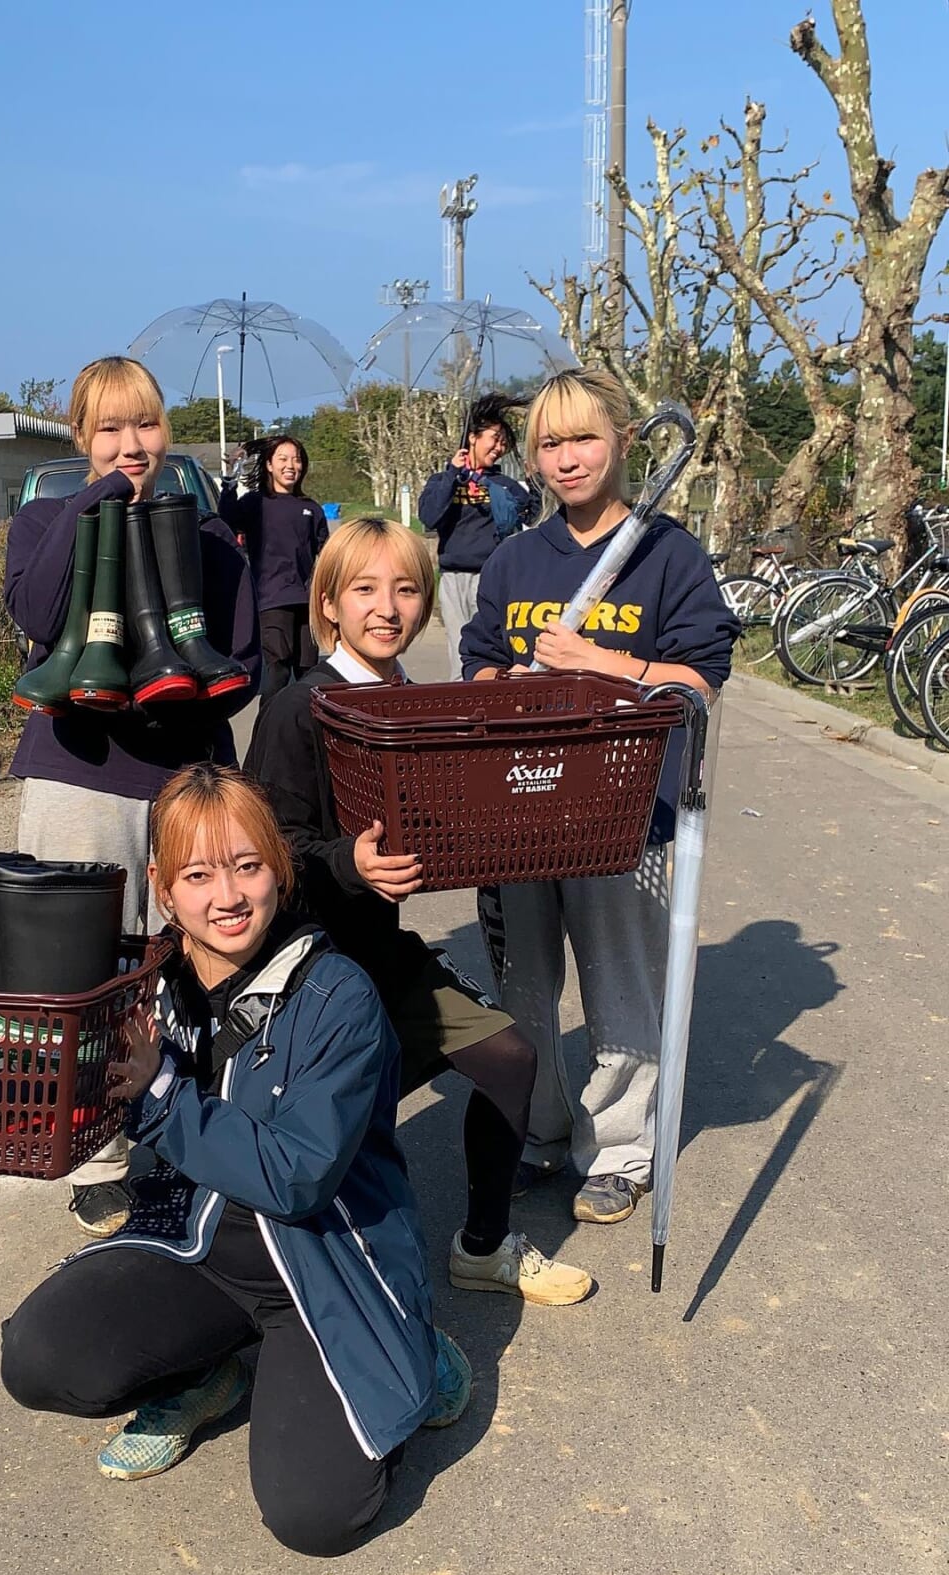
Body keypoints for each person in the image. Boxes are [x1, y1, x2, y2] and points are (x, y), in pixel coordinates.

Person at [0, 764, 464, 1558]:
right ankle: (209, 1371)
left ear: (280, 869)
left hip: (323, 1262)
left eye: (248, 866)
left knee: (315, 1517)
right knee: (38, 1357)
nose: (228, 896)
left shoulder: (336, 996)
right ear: (162, 884)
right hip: (198, 1242)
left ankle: (408, 1343)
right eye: (198, 873)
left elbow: (297, 1176)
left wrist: (162, 1097)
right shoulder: (149, 981)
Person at [244, 517, 592, 1306]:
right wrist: (351, 863)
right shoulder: (299, 708)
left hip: (382, 954)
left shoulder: (418, 702)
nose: (387, 607)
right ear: (327, 604)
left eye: (406, 588)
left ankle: (484, 1245)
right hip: (305, 967)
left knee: (509, 1056)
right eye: (364, 588)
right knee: (339, 1132)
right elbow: (263, 854)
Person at [460, 367, 738, 1224]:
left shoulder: (670, 554)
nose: (567, 458)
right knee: (527, 985)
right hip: (525, 810)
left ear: (623, 439)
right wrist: (501, 677)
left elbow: (699, 682)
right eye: (550, 443)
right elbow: (476, 657)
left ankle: (619, 1146)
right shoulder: (516, 557)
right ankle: (539, 1130)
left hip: (626, 814)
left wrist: (605, 664)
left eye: (584, 438)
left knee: (622, 986)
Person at [4, 355, 261, 1238]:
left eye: (145, 424)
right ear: (80, 437)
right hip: (77, 772)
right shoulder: (45, 514)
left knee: (193, 964)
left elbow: (241, 657)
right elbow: (36, 616)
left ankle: (188, 1132)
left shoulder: (207, 531)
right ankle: (100, 1153)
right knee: (87, 967)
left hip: (185, 779)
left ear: (167, 430)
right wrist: (90, 505)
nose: (129, 444)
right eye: (108, 428)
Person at [418, 393, 541, 677]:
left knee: (490, 648)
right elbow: (429, 516)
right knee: (457, 647)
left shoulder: (505, 485)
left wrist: (534, 482)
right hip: (452, 578)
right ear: (472, 437)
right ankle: (460, 704)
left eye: (502, 443)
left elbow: (533, 515)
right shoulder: (443, 481)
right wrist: (452, 475)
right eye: (493, 439)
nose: (499, 448)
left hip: (491, 577)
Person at [219, 434, 329, 702]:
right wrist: (231, 479)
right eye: (283, 459)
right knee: (277, 672)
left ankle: (307, 736)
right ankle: (266, 734)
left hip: (306, 603)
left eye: (297, 459)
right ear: (269, 465)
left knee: (308, 676)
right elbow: (227, 519)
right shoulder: (254, 503)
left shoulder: (311, 509)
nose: (291, 465)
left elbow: (328, 556)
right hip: (271, 602)